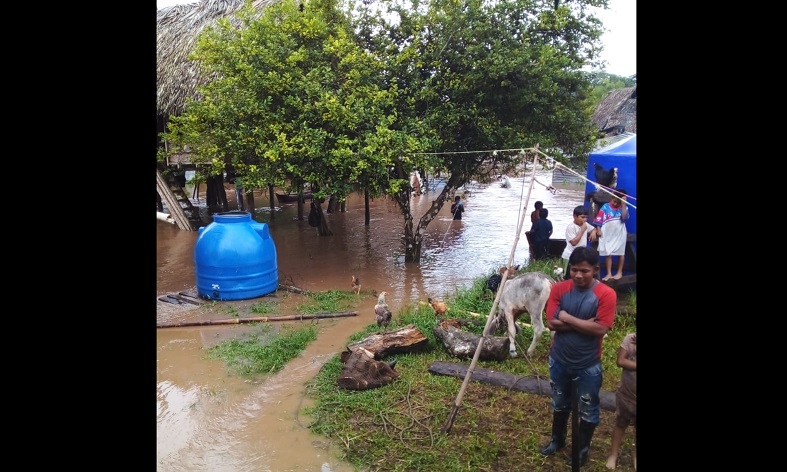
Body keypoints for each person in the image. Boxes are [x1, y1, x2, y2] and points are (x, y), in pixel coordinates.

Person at [540, 246, 617, 467]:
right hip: (559, 359)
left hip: (588, 364)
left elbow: (600, 329)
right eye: (574, 270)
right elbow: (551, 322)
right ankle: (557, 440)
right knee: (559, 402)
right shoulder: (559, 289)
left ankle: (582, 450)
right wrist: (586, 323)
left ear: (595, 269)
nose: (578, 275)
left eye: (584, 270)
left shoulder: (606, 294)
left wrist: (567, 317)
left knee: (588, 409)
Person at [606, 331, 637, 470]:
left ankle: (635, 456)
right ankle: (613, 454)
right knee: (621, 422)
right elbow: (620, 361)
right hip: (627, 395)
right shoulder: (631, 339)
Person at [588, 189, 629, 281]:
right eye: (614, 201)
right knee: (608, 252)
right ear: (612, 198)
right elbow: (599, 219)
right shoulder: (606, 206)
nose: (615, 204)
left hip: (619, 233)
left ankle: (619, 272)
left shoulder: (624, 207)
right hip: (607, 233)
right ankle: (609, 273)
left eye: (618, 203)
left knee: (621, 252)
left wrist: (623, 204)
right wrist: (598, 229)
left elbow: (624, 217)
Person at [560, 205, 590, 279]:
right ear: (575, 216)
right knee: (567, 277)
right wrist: (582, 230)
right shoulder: (571, 227)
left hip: (580, 256)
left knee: (577, 277)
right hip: (569, 256)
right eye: (582, 217)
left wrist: (593, 232)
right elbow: (574, 242)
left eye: (586, 217)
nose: (585, 220)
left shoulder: (585, 225)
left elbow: (593, 229)